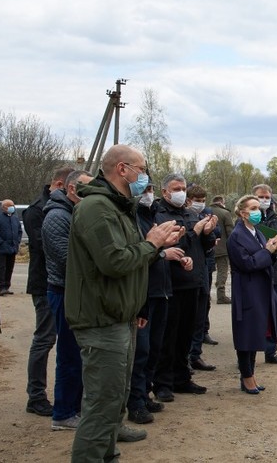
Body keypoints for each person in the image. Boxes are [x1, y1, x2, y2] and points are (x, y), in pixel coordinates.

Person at [65, 144, 182, 462]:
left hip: (119, 316)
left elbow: (132, 256)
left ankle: (108, 453)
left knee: (113, 398)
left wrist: (154, 247)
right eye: (142, 169)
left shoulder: (118, 207)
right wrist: (151, 244)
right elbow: (115, 262)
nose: (145, 176)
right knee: (101, 405)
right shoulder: (97, 209)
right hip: (101, 319)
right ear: (122, 169)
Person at [127, 184, 188, 425]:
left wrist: (170, 247)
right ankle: (135, 402)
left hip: (162, 290)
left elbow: (155, 249)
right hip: (145, 293)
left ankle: (145, 393)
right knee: (140, 351)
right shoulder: (132, 218)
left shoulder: (151, 215)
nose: (147, 192)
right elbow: (137, 254)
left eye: (150, 187)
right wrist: (162, 251)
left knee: (154, 348)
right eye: (145, 188)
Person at [152, 174, 216, 402]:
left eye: (182, 188)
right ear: (165, 192)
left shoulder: (190, 214)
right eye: (175, 188)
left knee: (186, 335)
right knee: (168, 337)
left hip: (194, 282)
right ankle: (163, 383)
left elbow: (204, 247)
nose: (181, 192)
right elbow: (173, 245)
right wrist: (196, 231)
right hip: (172, 284)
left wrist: (207, 234)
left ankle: (182, 378)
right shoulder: (159, 215)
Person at [42, 169, 93, 430]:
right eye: (86, 188)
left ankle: (75, 407)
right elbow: (66, 259)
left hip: (76, 291)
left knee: (79, 354)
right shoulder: (57, 216)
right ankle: (63, 413)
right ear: (71, 189)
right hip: (63, 292)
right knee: (69, 354)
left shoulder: (73, 212)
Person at [227, 195, 277, 396]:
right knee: (246, 333)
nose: (258, 211)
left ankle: (250, 375)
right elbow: (247, 263)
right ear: (242, 212)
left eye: (258, 208)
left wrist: (275, 250)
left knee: (256, 332)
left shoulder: (258, 233)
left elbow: (265, 259)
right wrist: (267, 251)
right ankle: (246, 377)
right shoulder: (236, 236)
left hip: (261, 288)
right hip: (246, 289)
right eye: (253, 208)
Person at [22, 166, 73, 417]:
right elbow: (46, 246)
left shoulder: (64, 208)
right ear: (60, 184)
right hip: (45, 283)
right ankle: (36, 395)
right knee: (44, 339)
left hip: (62, 283)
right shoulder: (36, 211)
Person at [254, 184, 277, 364]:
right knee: (254, 313)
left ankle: (271, 351)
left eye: (267, 197)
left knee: (273, 311)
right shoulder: (249, 220)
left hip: (274, 272)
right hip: (255, 272)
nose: (264, 200)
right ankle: (248, 354)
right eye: (261, 197)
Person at [186, 184, 219, 371]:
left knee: (200, 316)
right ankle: (185, 358)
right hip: (186, 276)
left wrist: (208, 232)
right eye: (197, 201)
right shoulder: (182, 218)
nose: (200, 204)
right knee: (187, 321)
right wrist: (198, 230)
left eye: (202, 201)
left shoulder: (204, 215)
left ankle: (195, 355)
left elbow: (211, 243)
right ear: (188, 200)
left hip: (203, 272)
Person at [0, 199, 22, 296]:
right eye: (10, 206)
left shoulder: (15, 218)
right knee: (2, 268)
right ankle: (1, 287)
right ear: (4, 207)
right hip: (2, 248)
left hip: (13, 247)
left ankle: (7, 286)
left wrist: (17, 241)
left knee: (10, 268)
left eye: (12, 205)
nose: (12, 207)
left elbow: (19, 231)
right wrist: (0, 242)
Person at [210, 195, 234, 304]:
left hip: (208, 247)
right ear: (221, 202)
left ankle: (206, 294)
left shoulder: (206, 211)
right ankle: (221, 295)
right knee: (222, 271)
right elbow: (230, 232)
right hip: (222, 248)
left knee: (208, 271)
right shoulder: (225, 213)